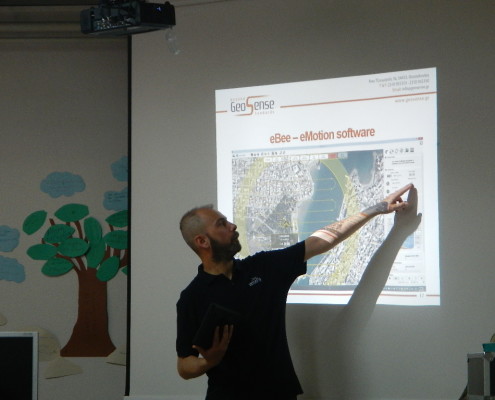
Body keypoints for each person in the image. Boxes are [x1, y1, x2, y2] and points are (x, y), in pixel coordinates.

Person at [176, 183, 414, 400]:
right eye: (221, 224)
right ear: (202, 242)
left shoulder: (262, 267)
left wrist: (377, 209)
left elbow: (321, 241)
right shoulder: (192, 297)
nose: (232, 226)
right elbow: (184, 365)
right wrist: (208, 362)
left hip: (280, 393)